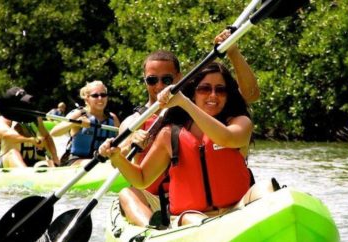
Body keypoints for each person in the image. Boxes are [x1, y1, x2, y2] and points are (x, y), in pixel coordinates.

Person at [115, 31, 261, 227]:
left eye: (166, 80)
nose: (159, 85)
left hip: (234, 206)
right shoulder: (145, 124)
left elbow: (248, 98)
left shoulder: (232, 120)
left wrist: (233, 51)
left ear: (180, 79)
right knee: (127, 193)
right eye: (152, 80)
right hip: (179, 207)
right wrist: (120, 153)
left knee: (267, 188)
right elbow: (138, 175)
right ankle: (152, 228)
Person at [50, 80, 120, 166]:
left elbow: (123, 141)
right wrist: (74, 123)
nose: (100, 98)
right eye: (95, 95)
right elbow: (54, 132)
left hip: (103, 162)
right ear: (87, 98)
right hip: (76, 161)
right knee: (98, 164)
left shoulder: (112, 118)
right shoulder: (79, 114)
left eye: (103, 95)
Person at [0, 87, 59, 168]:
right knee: (12, 154)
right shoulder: (0, 120)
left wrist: (55, 159)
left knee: (48, 162)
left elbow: (47, 137)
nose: (28, 104)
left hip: (31, 162)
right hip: (4, 164)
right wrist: (30, 140)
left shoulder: (34, 120)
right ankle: (26, 176)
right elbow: (6, 135)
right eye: (23, 103)